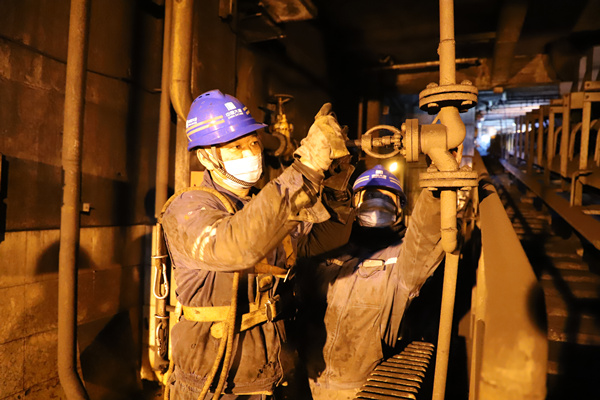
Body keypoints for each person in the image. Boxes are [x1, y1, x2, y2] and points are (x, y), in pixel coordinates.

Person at [160, 89, 349, 400]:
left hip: (271, 374)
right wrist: (306, 170)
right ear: (206, 157)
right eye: (235, 147)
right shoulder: (188, 209)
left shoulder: (264, 204)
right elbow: (236, 246)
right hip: (216, 385)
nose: (249, 152)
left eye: (253, 143)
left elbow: (323, 242)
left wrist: (335, 187)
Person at [296, 164, 445, 400]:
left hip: (363, 387)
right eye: (369, 195)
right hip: (305, 378)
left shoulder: (403, 256)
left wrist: (436, 190)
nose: (377, 203)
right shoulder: (330, 246)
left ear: (400, 207)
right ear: (354, 203)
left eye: (386, 197)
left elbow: (425, 237)